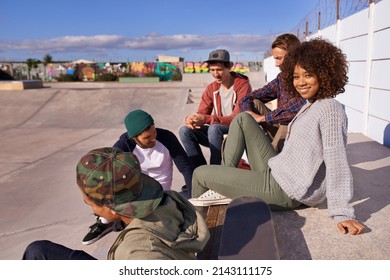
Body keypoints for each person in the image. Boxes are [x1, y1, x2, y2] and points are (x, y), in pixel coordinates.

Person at [189, 38, 365, 235]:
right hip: (277, 171)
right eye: (296, 77)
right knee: (242, 119)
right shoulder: (311, 104)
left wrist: (343, 213)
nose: (300, 83)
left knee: (200, 174)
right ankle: (225, 180)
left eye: (308, 75)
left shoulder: (330, 109)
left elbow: (337, 161)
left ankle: (194, 233)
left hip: (286, 191)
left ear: (325, 75)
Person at [22, 147, 209, 260]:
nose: (85, 201)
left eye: (91, 202)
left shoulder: (137, 253)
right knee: (38, 250)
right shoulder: (171, 198)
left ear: (112, 208)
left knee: (37, 253)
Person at [82, 109, 194, 245]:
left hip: (162, 193)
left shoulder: (167, 138)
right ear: (134, 137)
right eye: (147, 137)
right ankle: (104, 221)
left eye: (154, 133)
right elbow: (107, 169)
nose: (153, 138)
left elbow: (186, 168)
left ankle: (121, 222)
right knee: (108, 181)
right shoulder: (125, 144)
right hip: (136, 192)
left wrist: (194, 197)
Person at [179, 49, 252, 169]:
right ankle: (199, 171)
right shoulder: (211, 88)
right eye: (212, 70)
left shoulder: (243, 86)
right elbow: (202, 114)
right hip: (218, 133)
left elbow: (238, 118)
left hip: (237, 131)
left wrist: (206, 119)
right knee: (184, 131)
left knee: (214, 128)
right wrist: (192, 119)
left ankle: (215, 171)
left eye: (219, 70)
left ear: (229, 66)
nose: (215, 74)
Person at [240, 33, 306, 151]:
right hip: (280, 123)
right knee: (254, 103)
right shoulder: (282, 77)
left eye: (279, 58)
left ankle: (272, 154)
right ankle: (263, 147)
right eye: (275, 58)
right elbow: (248, 97)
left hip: (300, 128)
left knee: (288, 122)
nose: (276, 64)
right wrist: (249, 113)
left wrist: (262, 118)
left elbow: (296, 110)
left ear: (293, 56)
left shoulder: (304, 76)